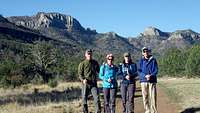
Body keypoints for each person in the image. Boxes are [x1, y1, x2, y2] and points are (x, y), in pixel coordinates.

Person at [78, 49, 101, 113]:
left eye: (90, 53)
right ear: (85, 55)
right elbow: (80, 74)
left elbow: (100, 71)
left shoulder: (95, 62)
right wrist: (83, 80)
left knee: (97, 98)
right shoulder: (82, 63)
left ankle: (98, 111)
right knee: (84, 99)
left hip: (93, 84)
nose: (89, 55)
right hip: (85, 84)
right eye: (88, 54)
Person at [138, 47, 158, 113]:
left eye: (147, 51)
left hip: (152, 81)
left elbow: (156, 70)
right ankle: (147, 110)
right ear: (142, 53)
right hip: (143, 81)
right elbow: (139, 71)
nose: (145, 53)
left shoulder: (153, 60)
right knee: (145, 97)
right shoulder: (141, 60)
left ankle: (153, 111)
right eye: (144, 52)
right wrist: (145, 76)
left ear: (149, 52)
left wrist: (151, 75)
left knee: (153, 97)